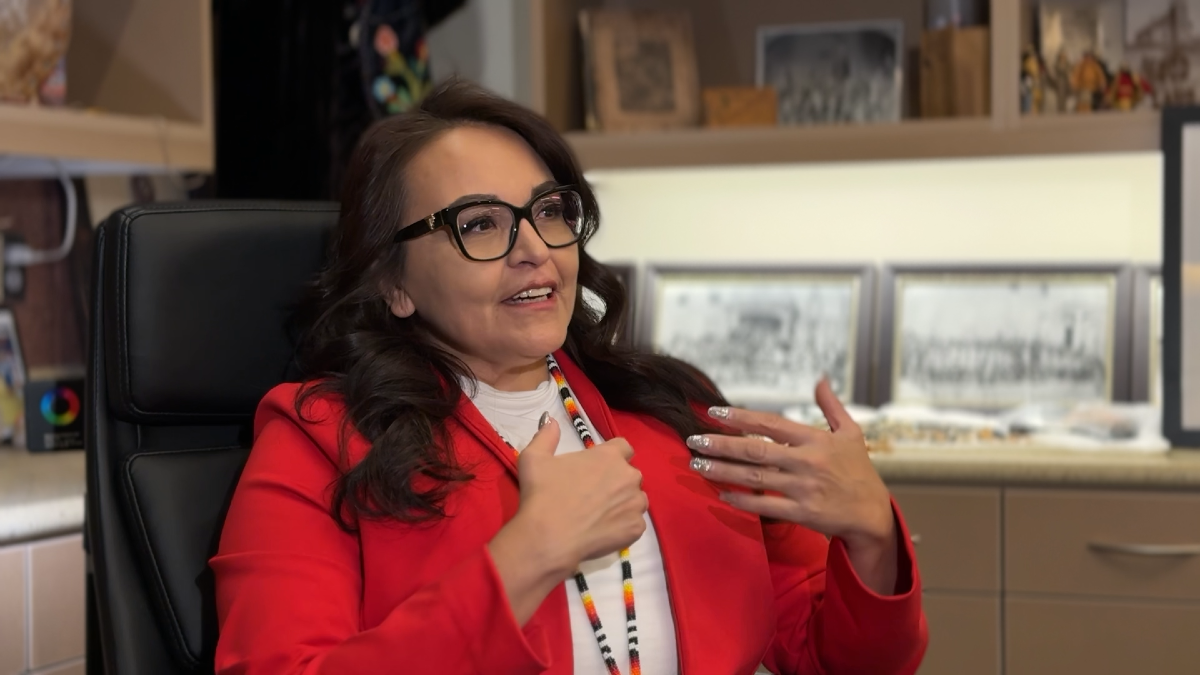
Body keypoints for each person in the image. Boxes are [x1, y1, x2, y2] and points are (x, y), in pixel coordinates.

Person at [211, 78, 928, 674]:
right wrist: (524, 558)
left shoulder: (671, 415)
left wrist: (870, 537)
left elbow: (836, 657)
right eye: (480, 223)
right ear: (394, 283)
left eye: (549, 212)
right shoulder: (321, 439)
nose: (533, 249)